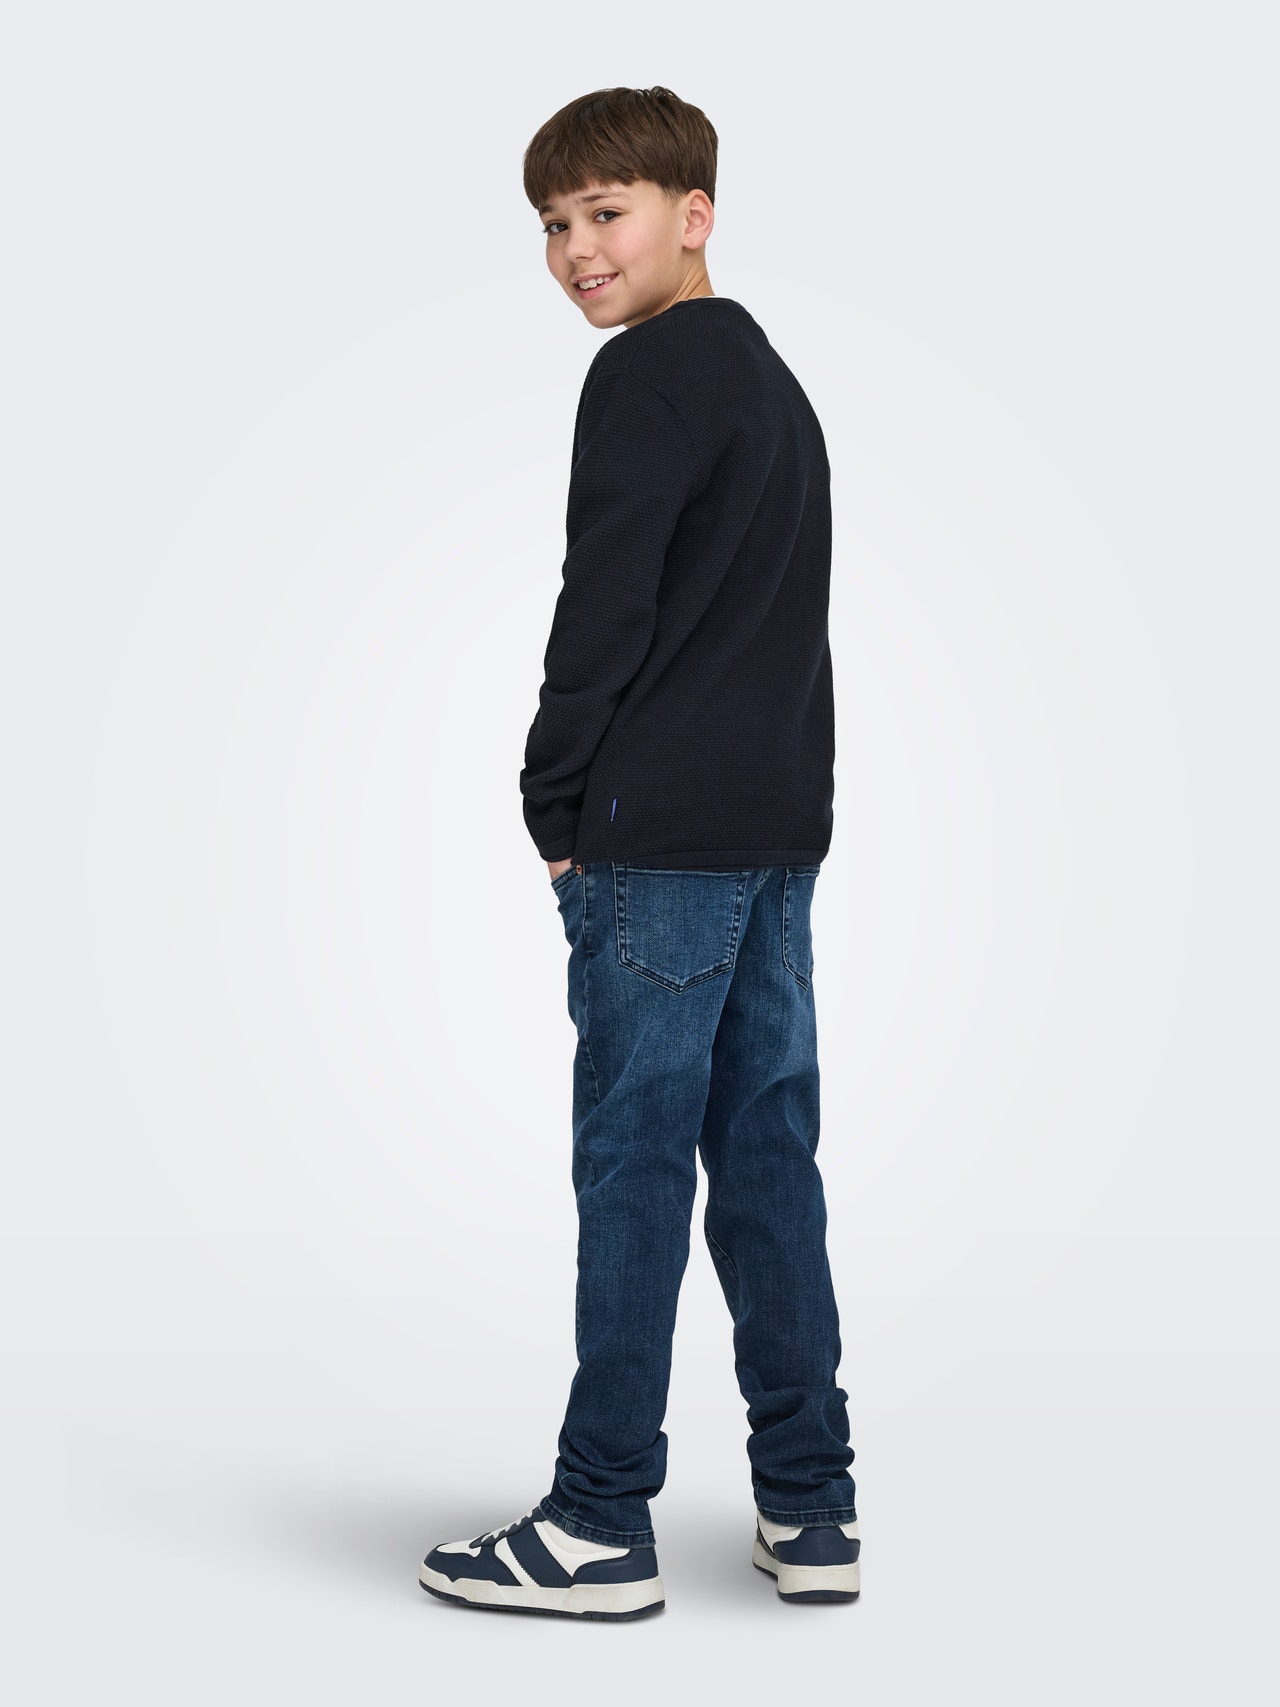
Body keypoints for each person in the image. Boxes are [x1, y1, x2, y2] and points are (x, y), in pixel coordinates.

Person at [420, 85, 858, 1620]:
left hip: (658, 841)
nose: (575, 250)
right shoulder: (770, 382)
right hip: (770, 835)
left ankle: (601, 1518)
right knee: (767, 1162)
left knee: (634, 1170)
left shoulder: (647, 375)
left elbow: (604, 607)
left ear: (695, 213)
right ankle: (813, 1504)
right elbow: (784, 634)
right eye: (553, 224)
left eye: (605, 213)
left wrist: (553, 802)